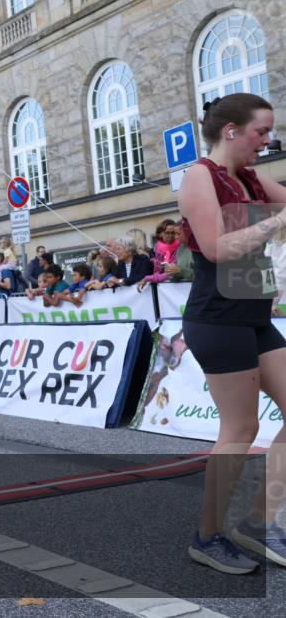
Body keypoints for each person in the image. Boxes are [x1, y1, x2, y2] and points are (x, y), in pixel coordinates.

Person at [178, 93, 286, 573]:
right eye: (261, 132)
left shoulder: (249, 177)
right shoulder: (200, 175)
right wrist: (277, 222)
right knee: (241, 429)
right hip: (218, 319)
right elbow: (217, 248)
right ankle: (207, 537)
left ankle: (260, 524)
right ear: (231, 131)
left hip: (255, 317)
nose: (268, 140)